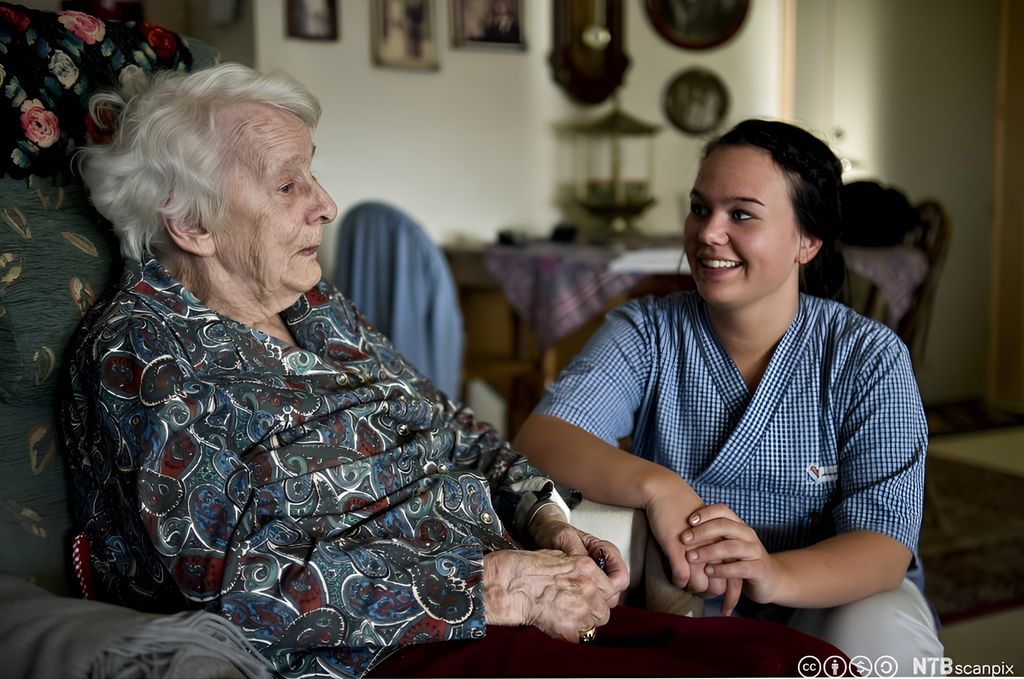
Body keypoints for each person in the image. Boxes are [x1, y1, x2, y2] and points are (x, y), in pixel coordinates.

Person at [61, 65, 843, 678]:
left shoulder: (316, 308)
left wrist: (547, 521)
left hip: (506, 600)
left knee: (805, 664)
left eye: (314, 173)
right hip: (388, 648)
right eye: (288, 183)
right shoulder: (146, 353)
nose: (326, 204)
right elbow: (240, 586)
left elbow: (459, 431)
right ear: (191, 221)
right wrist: (501, 587)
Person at [514, 119, 944, 669]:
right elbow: (544, 437)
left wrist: (771, 572)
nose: (708, 232)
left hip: (829, 596)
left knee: (882, 645)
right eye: (700, 208)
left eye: (741, 214)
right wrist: (660, 488)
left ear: (807, 241)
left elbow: (884, 547)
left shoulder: (868, 357)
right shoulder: (648, 332)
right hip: (678, 591)